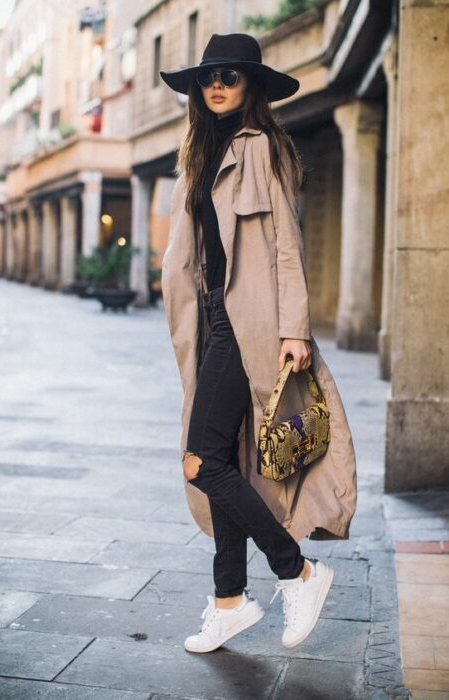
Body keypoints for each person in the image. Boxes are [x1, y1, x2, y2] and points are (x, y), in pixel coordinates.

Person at [159, 33, 357, 654]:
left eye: (230, 75)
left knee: (202, 462)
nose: (216, 84)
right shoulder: (197, 151)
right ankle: (227, 603)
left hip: (252, 324)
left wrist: (294, 327)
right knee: (226, 460)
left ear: (250, 87)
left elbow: (287, 246)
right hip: (212, 318)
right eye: (208, 76)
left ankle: (296, 570)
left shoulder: (263, 147)